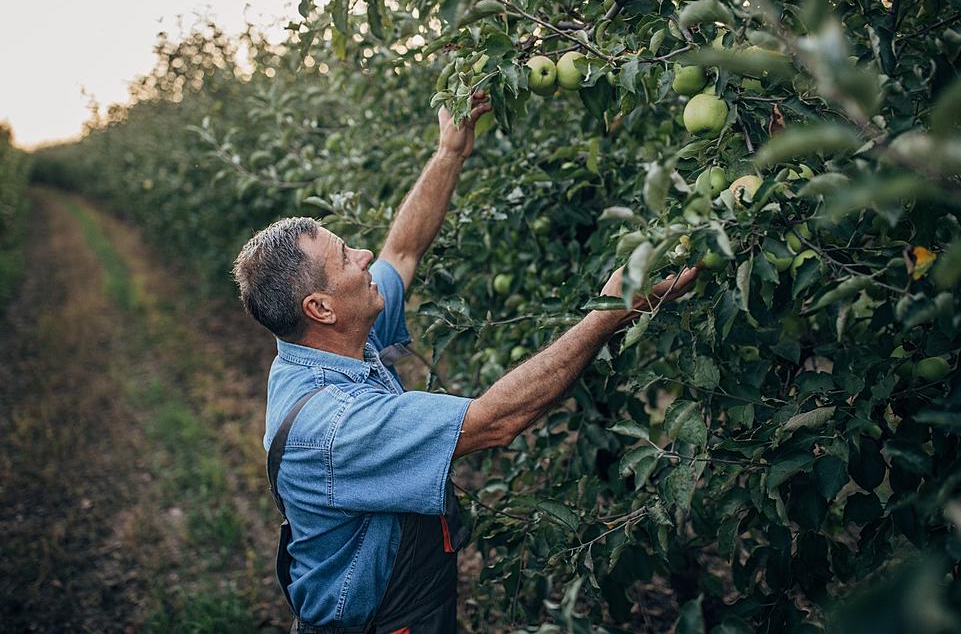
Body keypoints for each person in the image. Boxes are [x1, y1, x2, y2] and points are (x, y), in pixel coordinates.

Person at [231, 93, 699, 634]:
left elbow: (401, 252)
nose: (364, 258)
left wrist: (449, 151)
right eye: (345, 257)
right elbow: (494, 422)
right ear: (321, 307)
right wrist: (607, 314)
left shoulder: (332, 340)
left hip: (410, 602)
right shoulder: (333, 427)